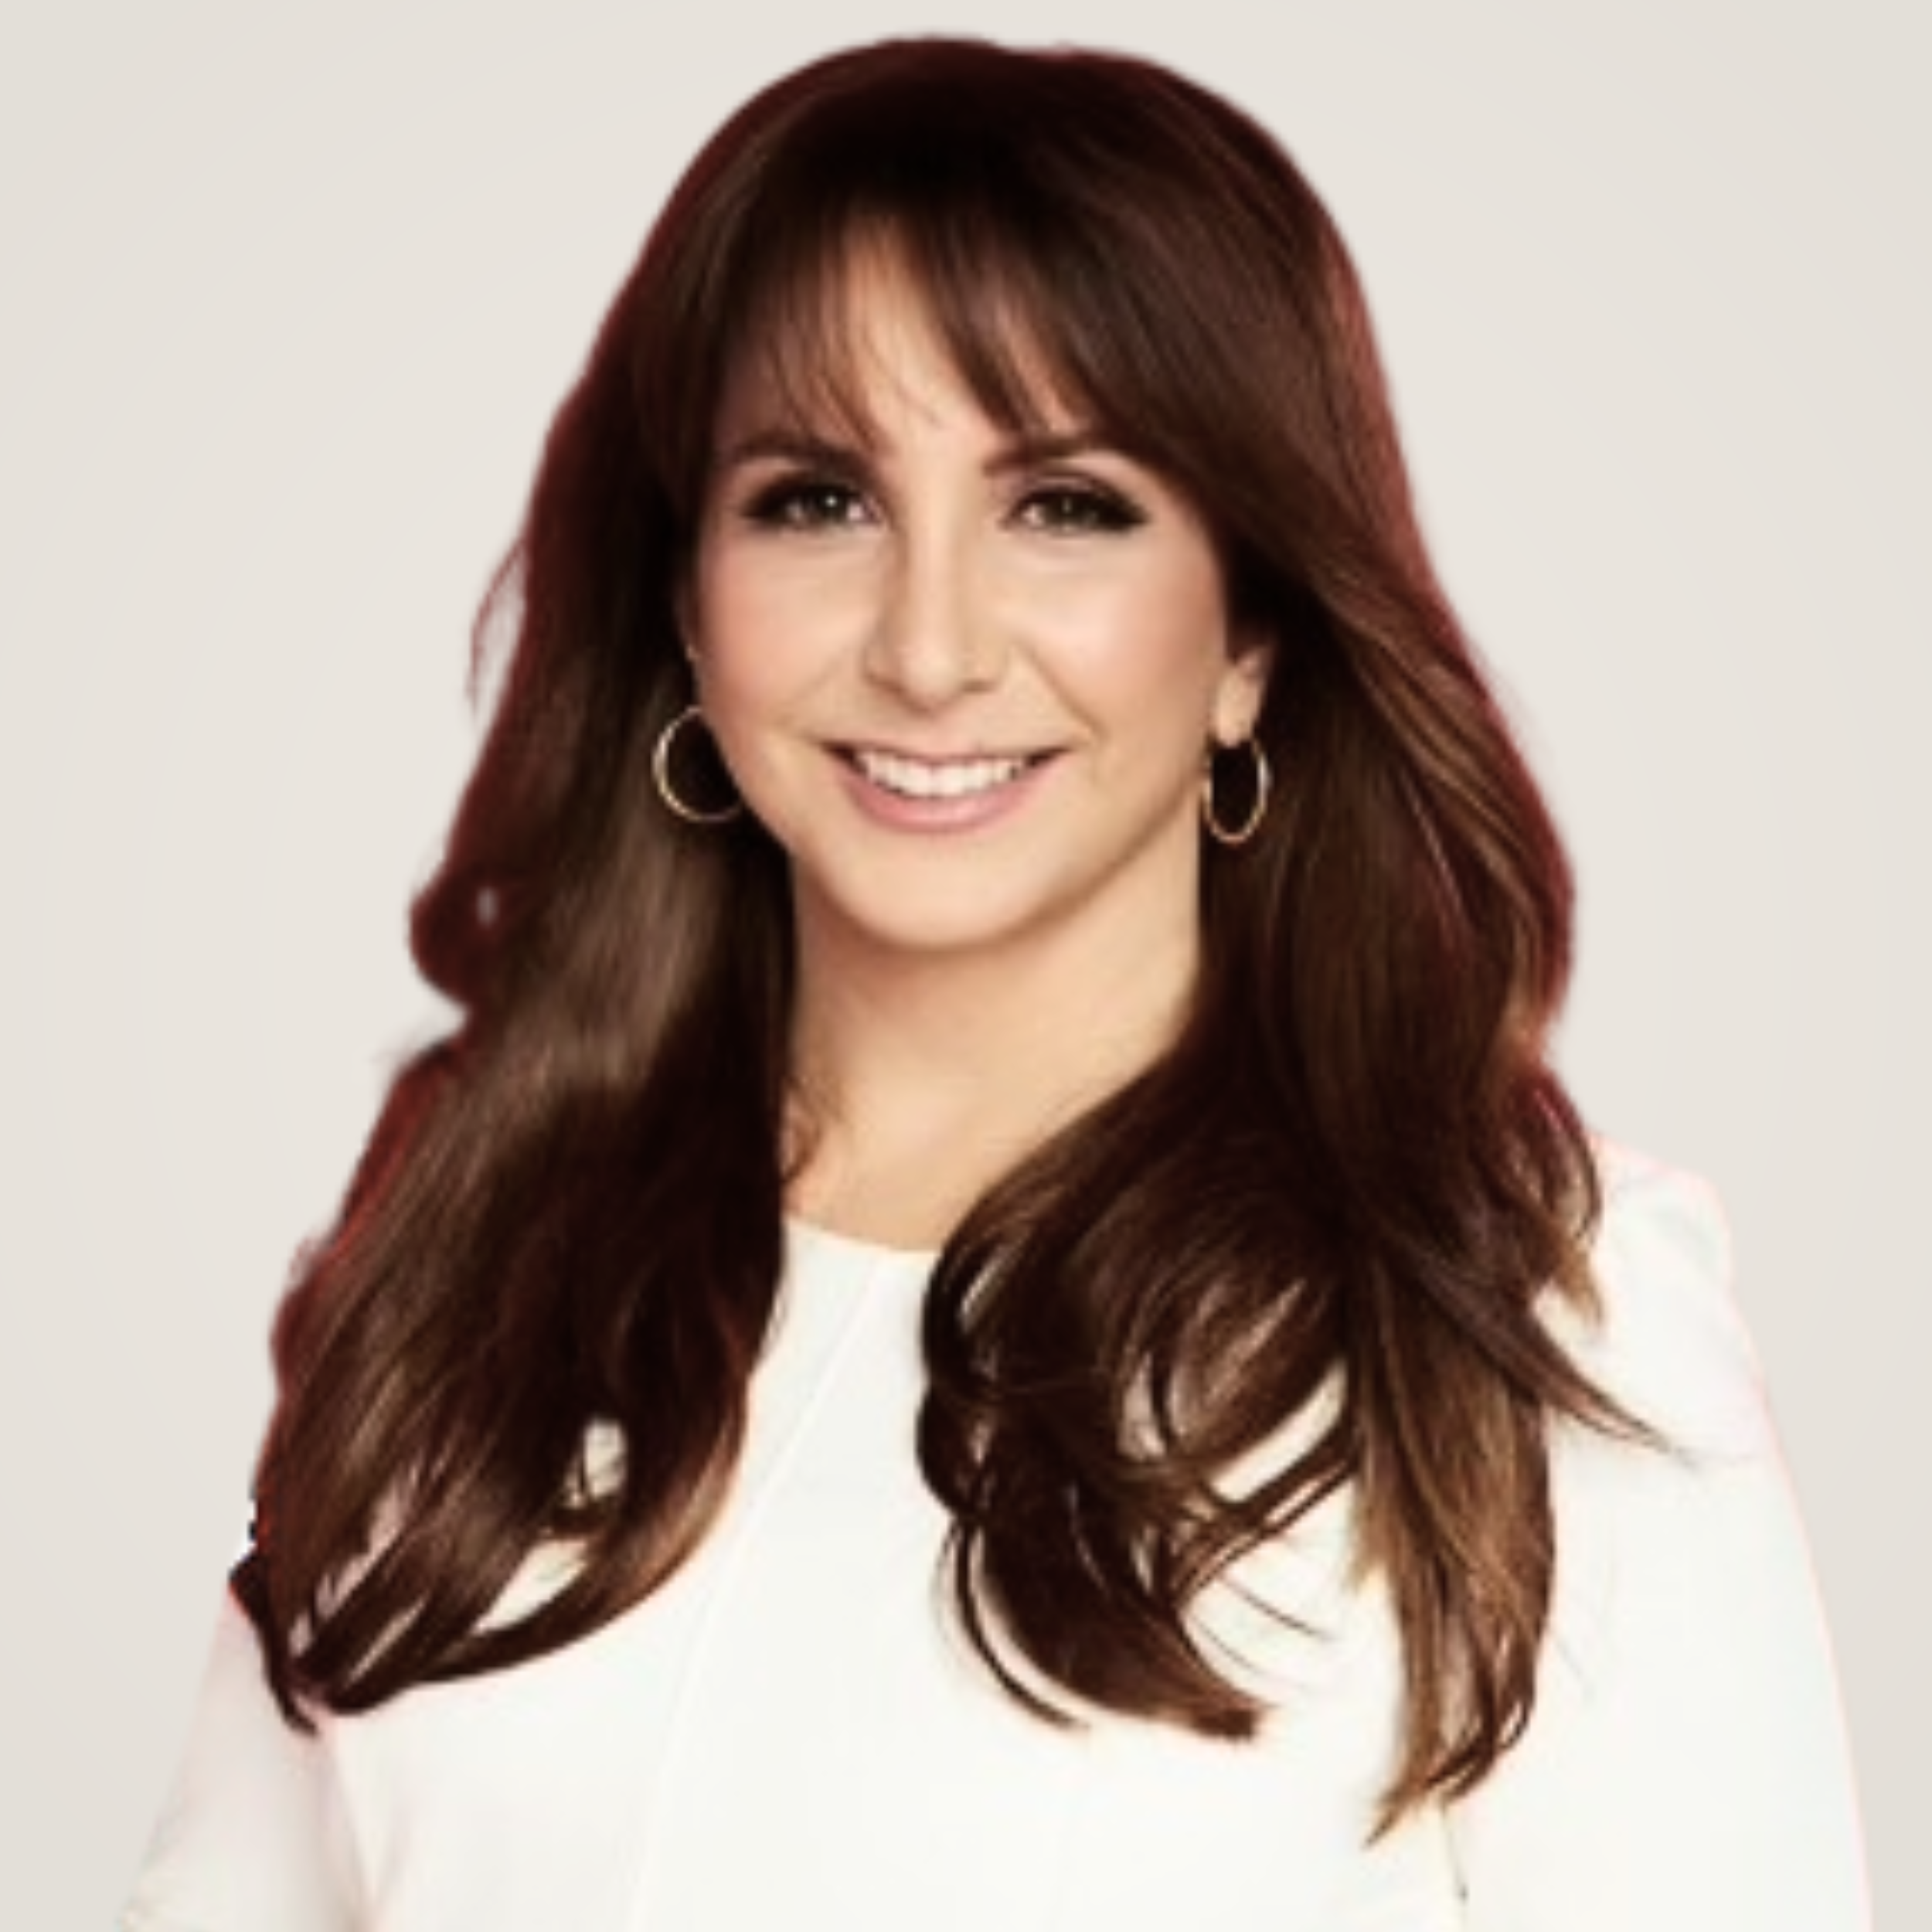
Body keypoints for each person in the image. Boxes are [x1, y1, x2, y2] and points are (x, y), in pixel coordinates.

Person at [123, 36, 1867, 1930]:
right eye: (815, 499)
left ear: (1250, 638)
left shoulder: (1521, 1318)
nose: (932, 646)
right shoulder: (484, 1266)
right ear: (686, 605)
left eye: (1066, 503)